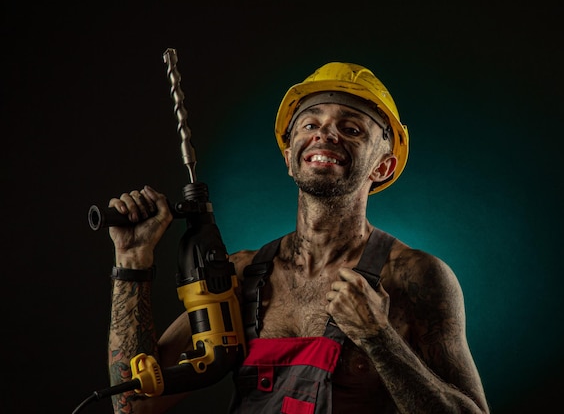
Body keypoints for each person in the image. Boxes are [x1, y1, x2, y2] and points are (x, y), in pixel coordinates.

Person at [106, 62, 490, 414]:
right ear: (289, 157)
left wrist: (379, 338)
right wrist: (132, 259)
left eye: (352, 128)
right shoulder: (239, 277)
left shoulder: (416, 278)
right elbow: (132, 408)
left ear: (383, 166)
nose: (326, 133)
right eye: (310, 124)